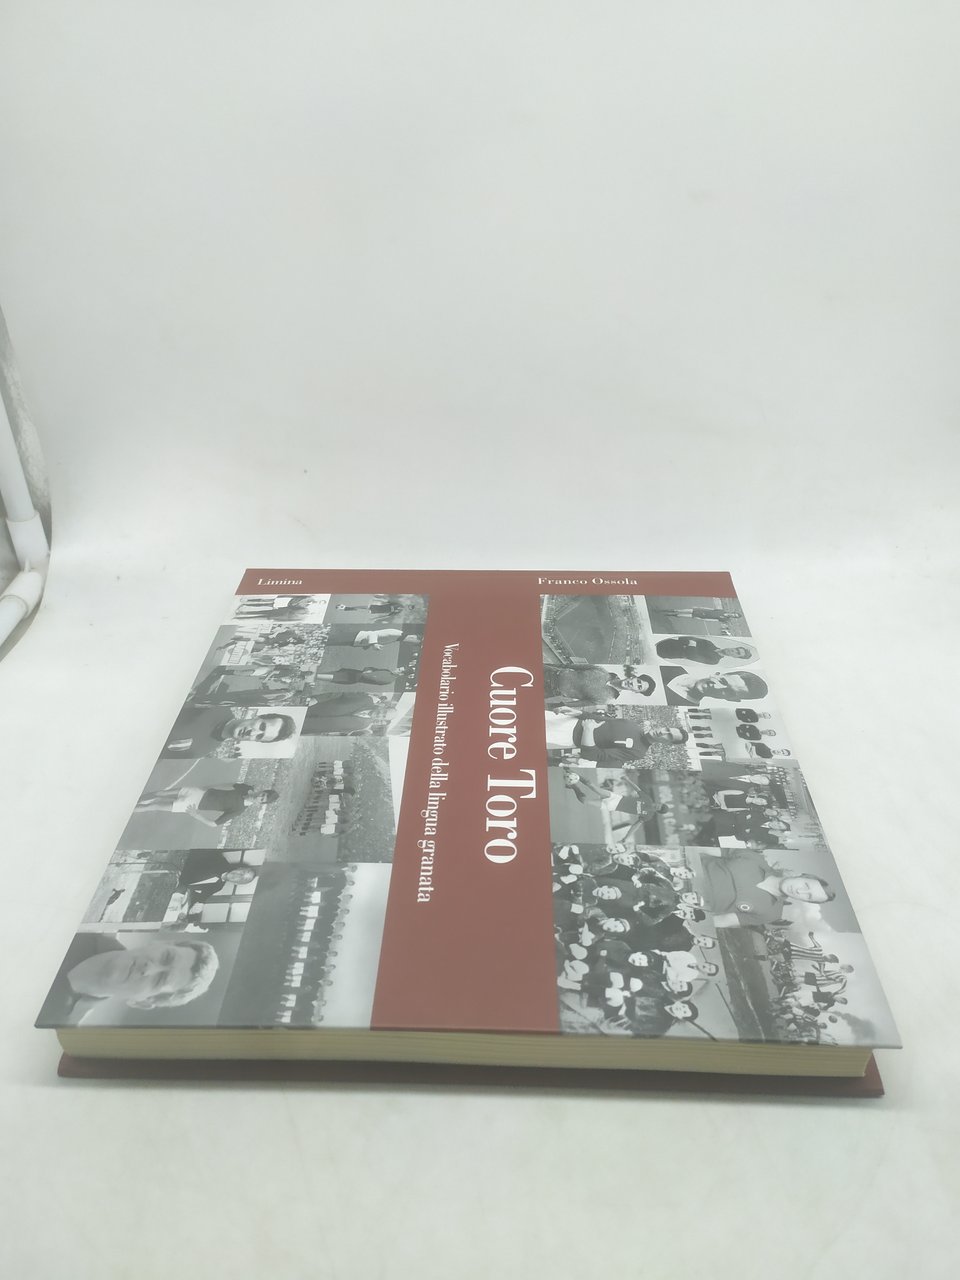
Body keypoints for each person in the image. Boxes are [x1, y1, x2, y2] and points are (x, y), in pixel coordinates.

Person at [37, 934, 219, 1024]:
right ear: (158, 944)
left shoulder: (58, 1021)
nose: (149, 968)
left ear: (141, 1003)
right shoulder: (76, 929)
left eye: (160, 979)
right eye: (166, 957)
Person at [700, 849, 835, 928]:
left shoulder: (772, 914)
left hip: (695, 902)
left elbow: (723, 921)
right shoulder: (755, 858)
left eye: (808, 896)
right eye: (806, 885)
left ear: (806, 901)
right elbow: (703, 849)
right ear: (802, 876)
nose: (800, 891)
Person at [546, 710, 689, 766]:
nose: (663, 732)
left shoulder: (638, 752)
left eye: (669, 736)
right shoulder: (632, 724)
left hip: (565, 738)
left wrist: (588, 730)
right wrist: (577, 712)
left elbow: (593, 755)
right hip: (566, 719)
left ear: (668, 744)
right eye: (667, 729)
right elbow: (598, 718)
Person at [161, 706, 297, 758]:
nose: (252, 733)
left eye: (259, 736)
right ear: (259, 717)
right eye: (262, 726)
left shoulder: (203, 751)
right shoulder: (211, 707)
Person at [134, 784, 279, 827]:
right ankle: (133, 798)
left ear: (261, 803)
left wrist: (196, 815)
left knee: (153, 806)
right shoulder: (246, 788)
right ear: (262, 791)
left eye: (262, 799)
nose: (260, 797)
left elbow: (214, 824)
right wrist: (210, 786)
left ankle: (128, 809)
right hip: (196, 791)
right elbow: (230, 784)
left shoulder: (239, 810)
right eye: (263, 794)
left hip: (193, 804)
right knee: (160, 792)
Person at [662, 669, 769, 707]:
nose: (717, 687)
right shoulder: (672, 668)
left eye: (729, 692)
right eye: (723, 681)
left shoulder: (686, 707)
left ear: (731, 700)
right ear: (717, 674)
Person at [655, 637, 758, 666]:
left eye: (737, 653)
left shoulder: (714, 660)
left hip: (671, 653)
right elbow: (687, 638)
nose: (733, 651)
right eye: (736, 649)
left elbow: (692, 656)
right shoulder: (709, 643)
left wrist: (691, 644)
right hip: (670, 642)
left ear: (735, 657)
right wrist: (691, 644)